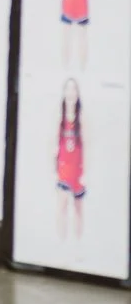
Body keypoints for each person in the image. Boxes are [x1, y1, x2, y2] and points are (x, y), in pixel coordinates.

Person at [57, 79, 85, 240]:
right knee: (62, 206)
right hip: (64, 169)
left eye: (74, 89)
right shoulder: (59, 117)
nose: (71, 92)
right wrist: (52, 169)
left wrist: (86, 172)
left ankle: (77, 243)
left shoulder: (82, 118)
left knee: (78, 209)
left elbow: (88, 146)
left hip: (78, 171)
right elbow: (52, 144)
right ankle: (61, 243)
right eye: (68, 89)